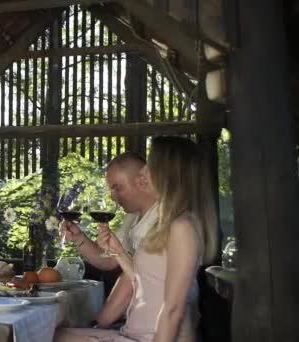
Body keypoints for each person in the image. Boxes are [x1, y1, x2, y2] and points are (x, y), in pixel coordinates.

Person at [55, 136, 218, 342]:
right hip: (134, 332)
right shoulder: (164, 223)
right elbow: (144, 281)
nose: (142, 173)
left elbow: (173, 309)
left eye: (149, 166)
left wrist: (103, 321)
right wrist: (119, 252)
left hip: (150, 337)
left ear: (167, 174)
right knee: (52, 333)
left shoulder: (182, 227)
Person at [60, 152, 158, 328]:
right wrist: (79, 238)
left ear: (142, 180)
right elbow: (108, 261)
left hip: (156, 323)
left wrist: (99, 324)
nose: (112, 196)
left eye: (117, 187)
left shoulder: (163, 221)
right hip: (133, 319)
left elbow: (134, 280)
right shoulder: (134, 218)